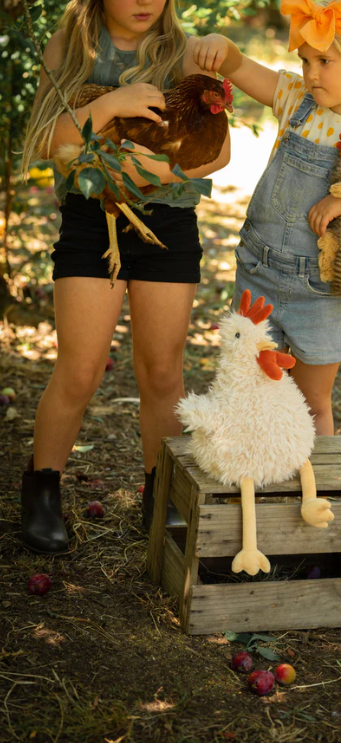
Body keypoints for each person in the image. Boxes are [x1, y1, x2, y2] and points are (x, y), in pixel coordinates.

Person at [20, 0, 230, 554]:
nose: (143, 2)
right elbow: (45, 140)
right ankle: (43, 490)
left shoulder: (186, 53)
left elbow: (218, 150)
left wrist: (156, 171)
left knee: (162, 372)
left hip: (169, 223)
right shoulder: (70, 47)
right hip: (93, 219)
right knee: (80, 368)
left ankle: (162, 494)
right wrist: (113, 102)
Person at [193, 0, 341, 435]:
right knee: (245, 392)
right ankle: (249, 472)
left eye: (324, 61)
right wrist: (219, 46)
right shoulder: (294, 100)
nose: (311, 74)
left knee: (312, 404)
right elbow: (238, 65)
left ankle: (312, 478)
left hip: (321, 293)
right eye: (305, 61)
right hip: (258, 275)